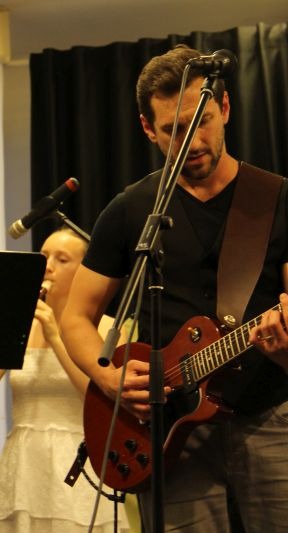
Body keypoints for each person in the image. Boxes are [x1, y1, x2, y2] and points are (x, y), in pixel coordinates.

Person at [61, 44, 288, 532]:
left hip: (269, 417)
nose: (194, 142)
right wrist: (108, 378)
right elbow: (75, 317)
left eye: (202, 122)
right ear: (148, 129)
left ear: (224, 108)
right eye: (174, 131)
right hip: (167, 430)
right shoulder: (130, 210)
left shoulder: (277, 199)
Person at [0, 227, 131, 532]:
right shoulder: (20, 328)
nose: (48, 266)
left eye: (61, 259)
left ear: (83, 272)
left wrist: (55, 335)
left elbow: (103, 400)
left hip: (78, 467)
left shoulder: (108, 330)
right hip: (23, 469)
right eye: (43, 256)